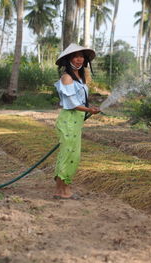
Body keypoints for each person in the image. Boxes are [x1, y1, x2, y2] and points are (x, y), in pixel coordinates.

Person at [53, 43, 100, 199]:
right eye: (76, 56)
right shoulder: (66, 77)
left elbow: (81, 98)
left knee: (71, 155)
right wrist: (89, 110)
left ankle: (62, 189)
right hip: (68, 120)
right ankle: (63, 190)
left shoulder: (80, 77)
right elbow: (72, 104)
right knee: (68, 155)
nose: (79, 60)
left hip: (76, 120)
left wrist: (87, 110)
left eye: (81, 56)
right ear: (68, 59)